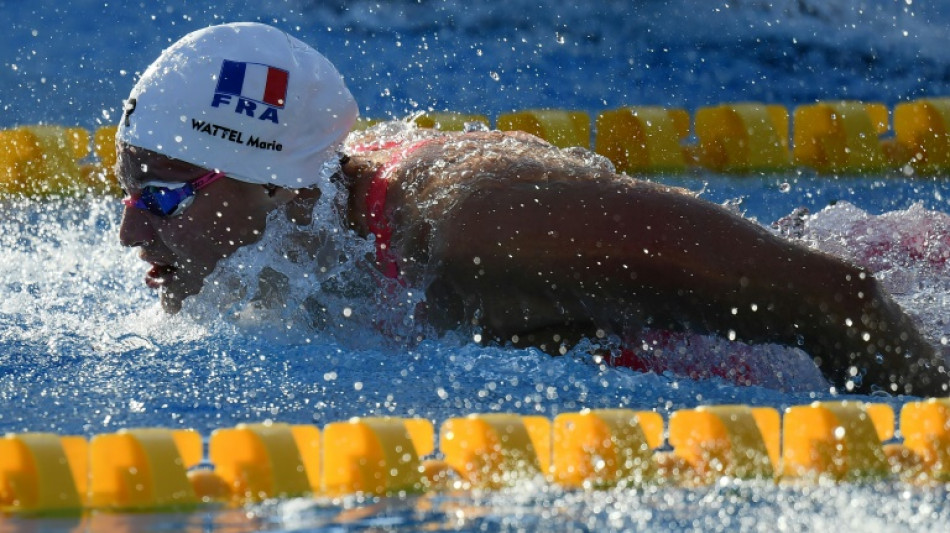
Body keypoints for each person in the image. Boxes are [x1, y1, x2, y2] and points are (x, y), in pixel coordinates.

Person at [116, 22, 949, 396]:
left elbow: (840, 300)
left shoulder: (484, 230)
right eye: (126, 193)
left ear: (283, 189)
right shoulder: (332, 225)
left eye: (160, 195)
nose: (129, 231)